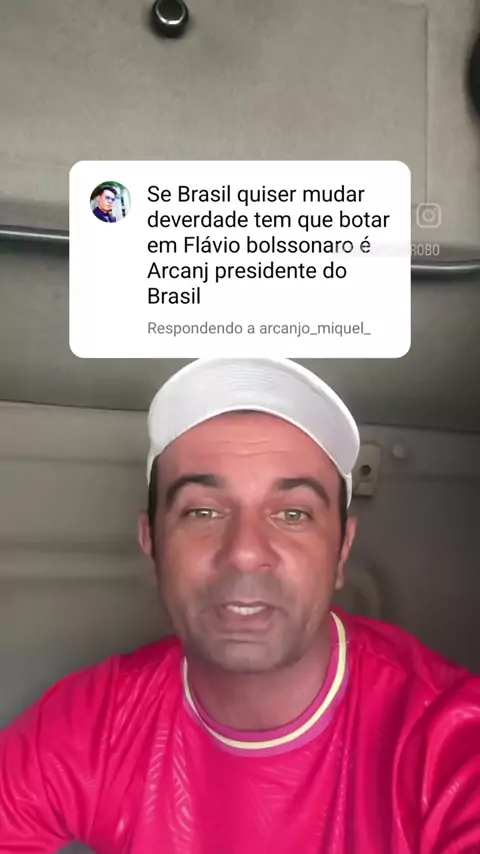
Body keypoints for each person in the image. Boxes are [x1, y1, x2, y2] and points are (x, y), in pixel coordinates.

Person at [1, 357, 480, 853]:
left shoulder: (447, 737)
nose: (245, 552)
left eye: (292, 514)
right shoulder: (95, 722)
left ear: (342, 551)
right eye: (202, 511)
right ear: (151, 543)